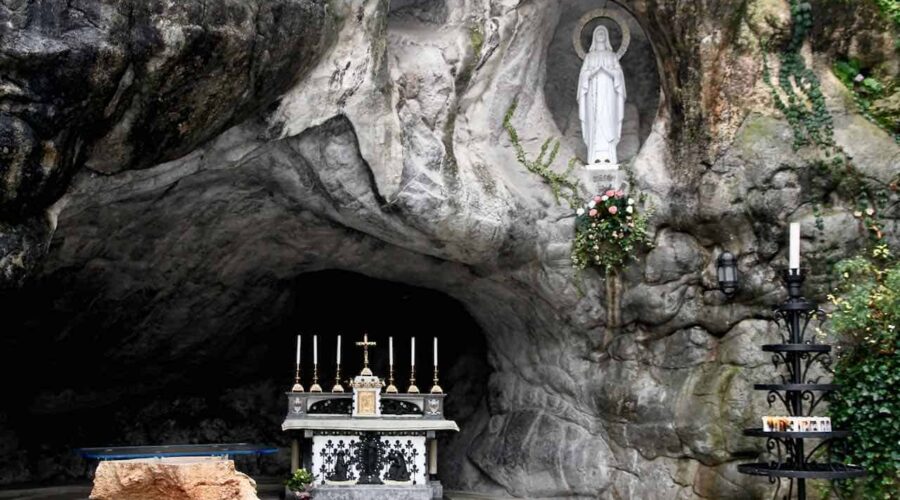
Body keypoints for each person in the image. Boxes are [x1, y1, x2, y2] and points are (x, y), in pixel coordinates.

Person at [577, 25, 627, 165]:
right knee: (595, 121)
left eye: (603, 33)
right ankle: (594, 156)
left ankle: (609, 155)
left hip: (609, 94)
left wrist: (607, 70)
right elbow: (583, 77)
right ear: (594, 37)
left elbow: (619, 75)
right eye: (597, 33)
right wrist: (592, 72)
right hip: (592, 95)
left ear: (607, 37)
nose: (600, 35)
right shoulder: (589, 57)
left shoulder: (611, 56)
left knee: (607, 120)